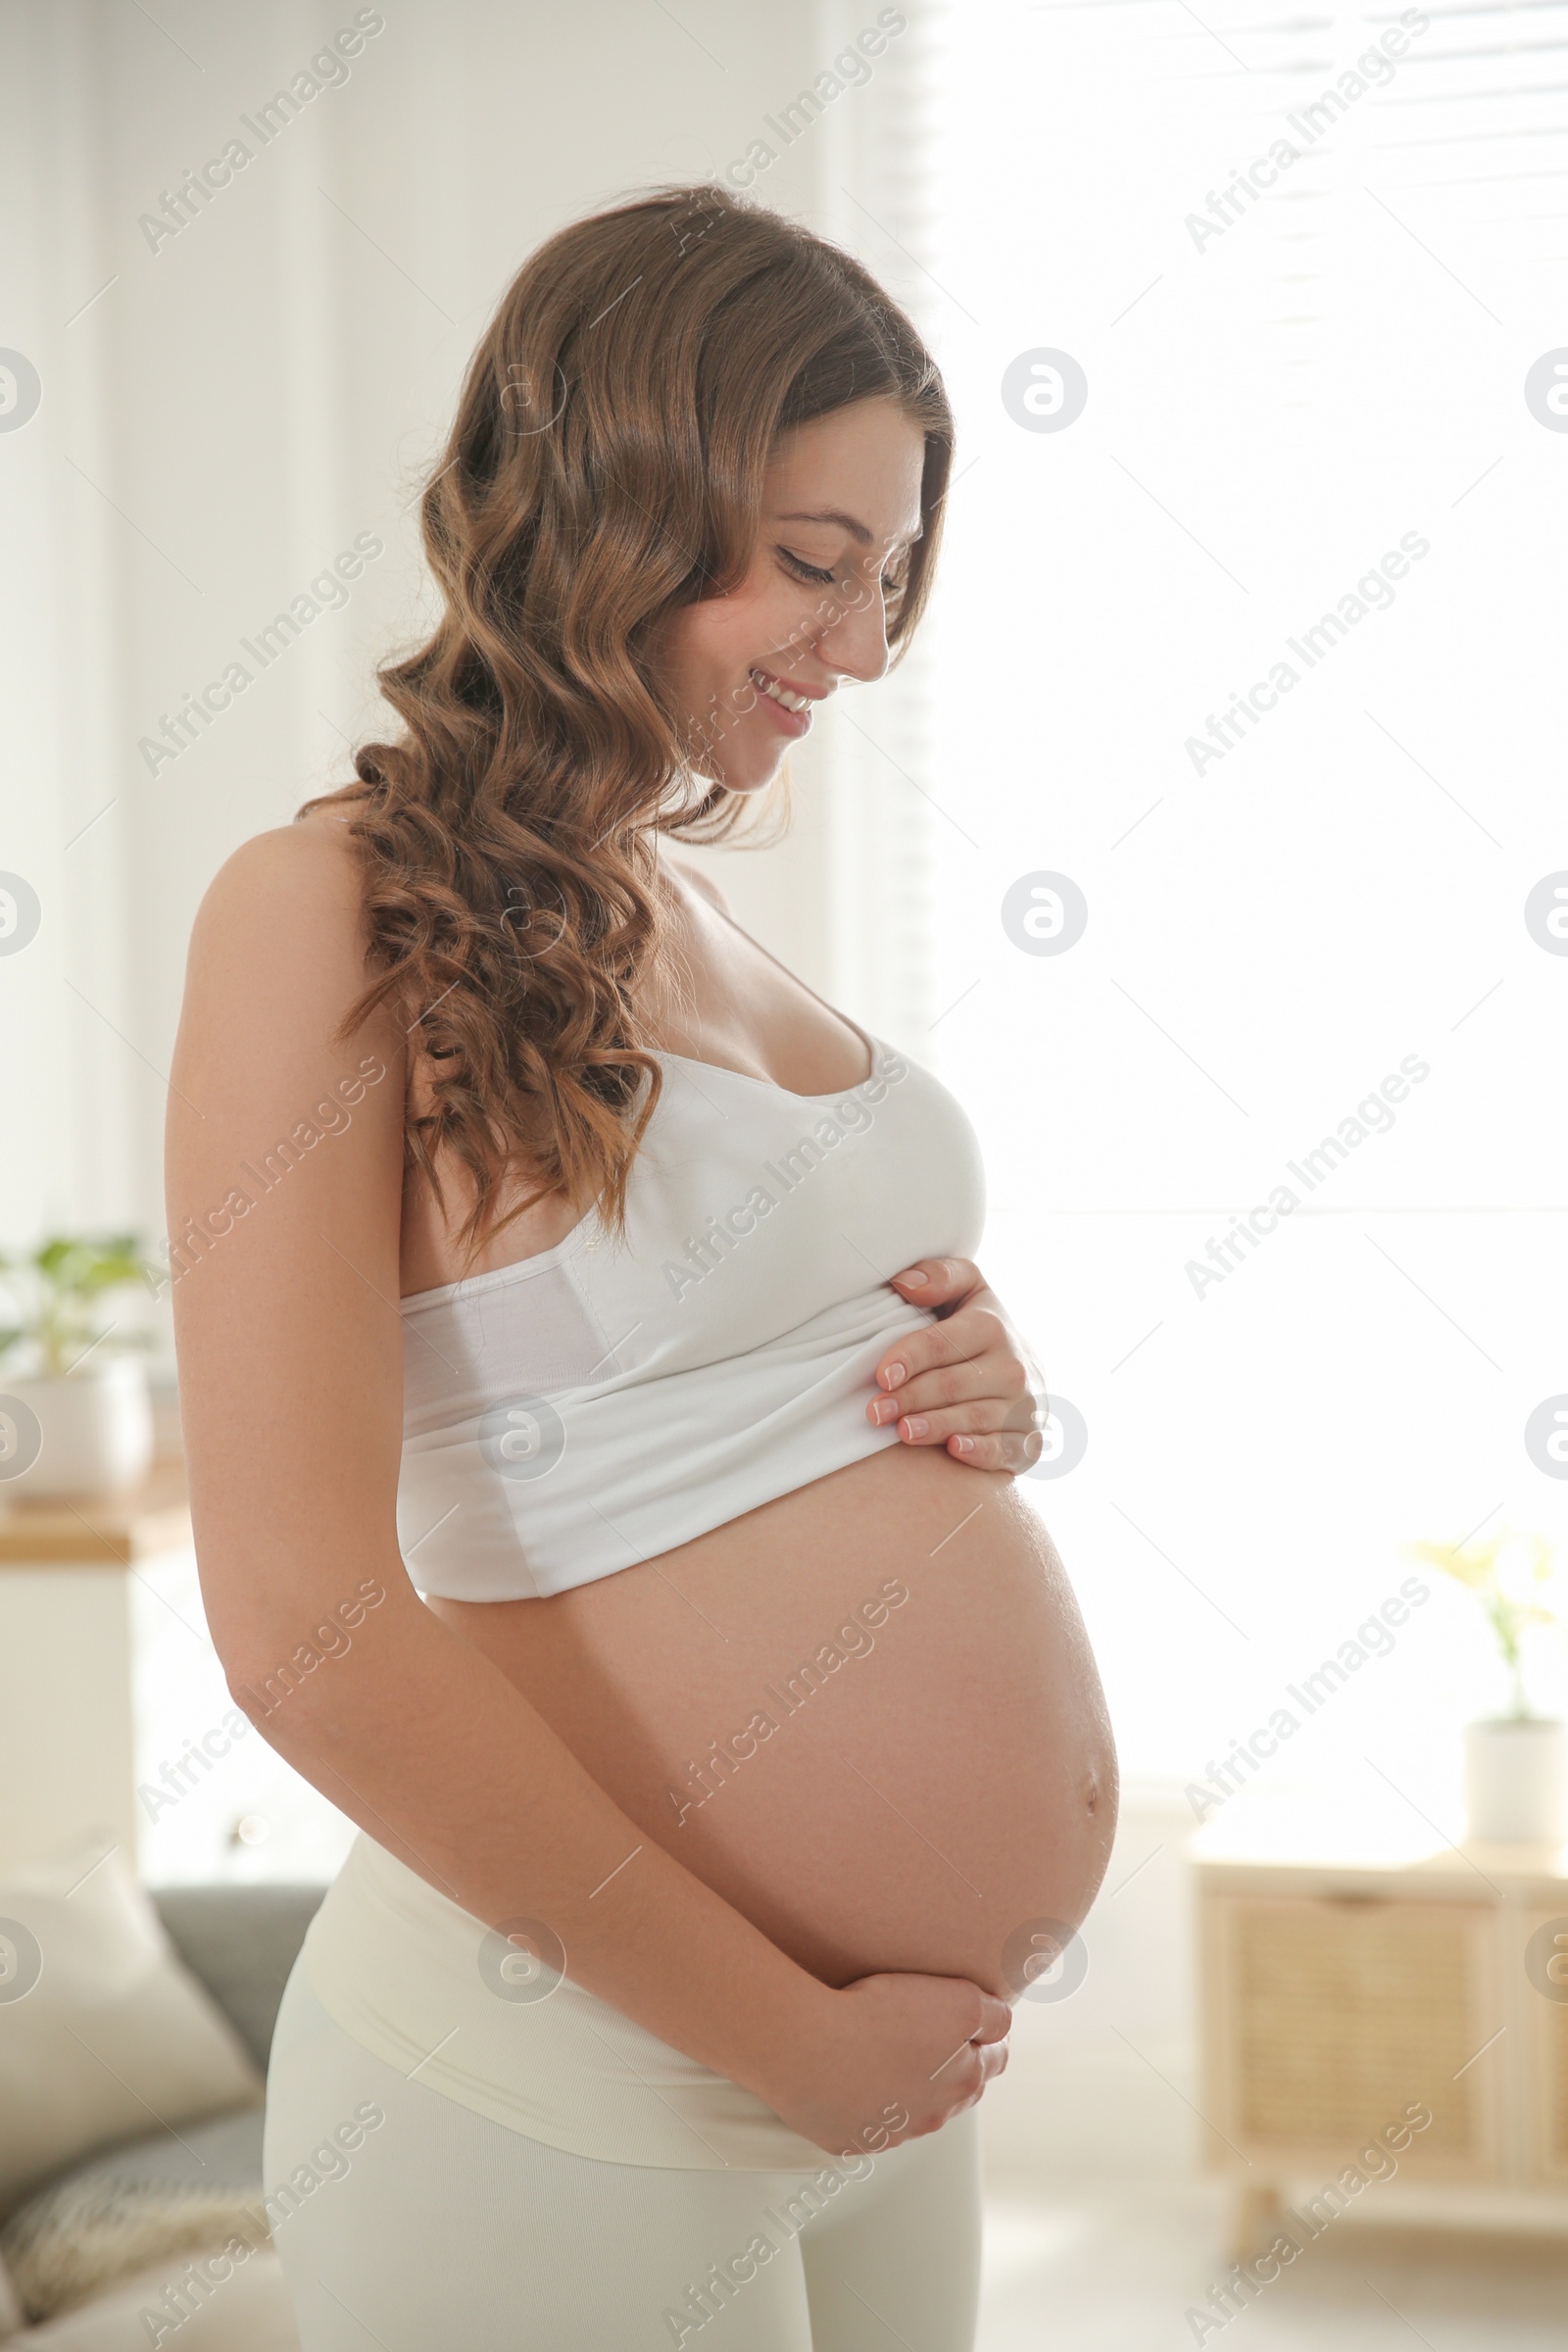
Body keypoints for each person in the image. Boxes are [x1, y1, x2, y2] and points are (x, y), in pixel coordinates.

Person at [166, 181, 1116, 2352]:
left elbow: (676, 1369)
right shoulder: (314, 912)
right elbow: (299, 1626)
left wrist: (955, 1370)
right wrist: (781, 2034)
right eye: (807, 564)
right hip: (561, 2073)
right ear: (605, 497)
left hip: (878, 2076)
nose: (858, 649)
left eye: (884, 581)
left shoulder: (672, 895)